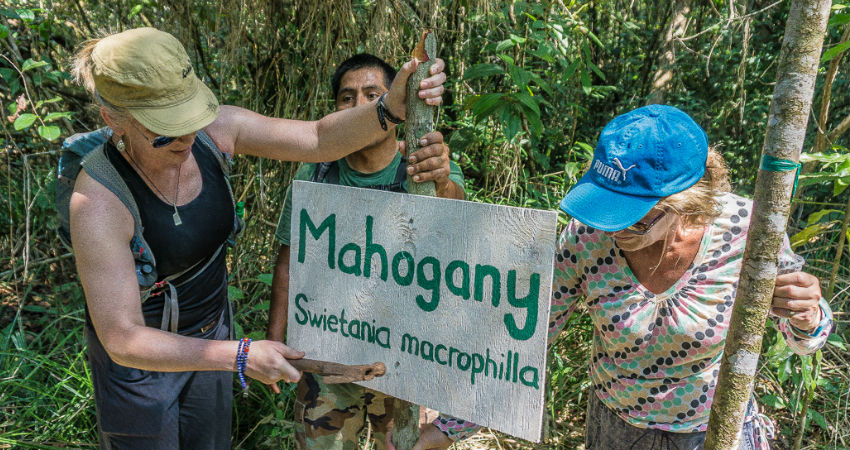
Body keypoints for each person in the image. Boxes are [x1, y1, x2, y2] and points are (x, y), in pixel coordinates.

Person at [67, 28, 447, 450]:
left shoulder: (215, 132)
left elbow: (318, 138)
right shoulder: (98, 200)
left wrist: (390, 108)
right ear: (113, 120)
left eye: (189, 120)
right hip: (144, 360)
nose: (186, 140)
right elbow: (122, 337)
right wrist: (242, 356)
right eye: (164, 131)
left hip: (213, 336)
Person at [413, 105, 833, 450]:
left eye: (633, 220)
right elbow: (526, 340)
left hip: (713, 433)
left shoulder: (747, 230)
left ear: (687, 204)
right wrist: (447, 429)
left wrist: (807, 315)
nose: (613, 232)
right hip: (616, 429)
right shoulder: (586, 239)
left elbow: (806, 341)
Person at [266, 53, 465, 450]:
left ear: (395, 103)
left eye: (374, 94)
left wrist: (439, 181)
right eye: (347, 98)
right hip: (329, 359)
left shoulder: (423, 166)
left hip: (406, 357)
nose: (361, 106)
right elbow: (290, 263)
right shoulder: (317, 173)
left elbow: (459, 223)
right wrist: (275, 340)